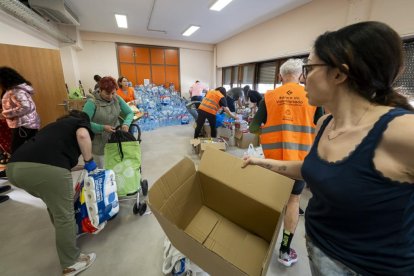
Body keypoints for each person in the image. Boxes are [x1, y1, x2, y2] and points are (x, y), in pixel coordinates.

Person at [243, 21, 414, 275]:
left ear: (339, 74)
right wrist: (260, 162)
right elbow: (310, 168)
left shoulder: (400, 130)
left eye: (309, 68)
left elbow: (256, 127)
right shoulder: (325, 123)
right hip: (320, 252)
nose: (303, 78)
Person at [6, 110, 97, 275]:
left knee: (55, 205)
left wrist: (82, 166)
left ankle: (68, 237)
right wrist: (89, 161)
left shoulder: (54, 127)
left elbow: (53, 159)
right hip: (46, 169)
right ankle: (71, 263)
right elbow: (83, 135)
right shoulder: (79, 123)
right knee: (64, 213)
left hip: (14, 168)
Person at [249, 59, 317, 267]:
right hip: (299, 162)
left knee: (273, 199)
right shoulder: (313, 97)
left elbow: (253, 127)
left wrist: (269, 134)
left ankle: (261, 242)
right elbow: (322, 129)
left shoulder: (269, 97)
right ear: (301, 76)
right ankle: (285, 251)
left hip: (273, 161)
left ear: (279, 77)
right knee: (293, 202)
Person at [83, 76, 134, 168]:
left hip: (115, 140)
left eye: (113, 93)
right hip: (99, 145)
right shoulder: (92, 102)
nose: (111, 97)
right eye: (107, 93)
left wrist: (126, 124)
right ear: (100, 90)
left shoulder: (117, 98)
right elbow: (83, 123)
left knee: (117, 168)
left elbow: (130, 113)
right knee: (103, 170)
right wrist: (102, 128)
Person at [0, 67, 40, 153]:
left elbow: (26, 107)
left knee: (16, 150)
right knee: (31, 148)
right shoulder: (13, 90)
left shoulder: (17, 91)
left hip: (23, 125)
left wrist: (6, 114)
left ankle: (18, 166)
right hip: (25, 124)